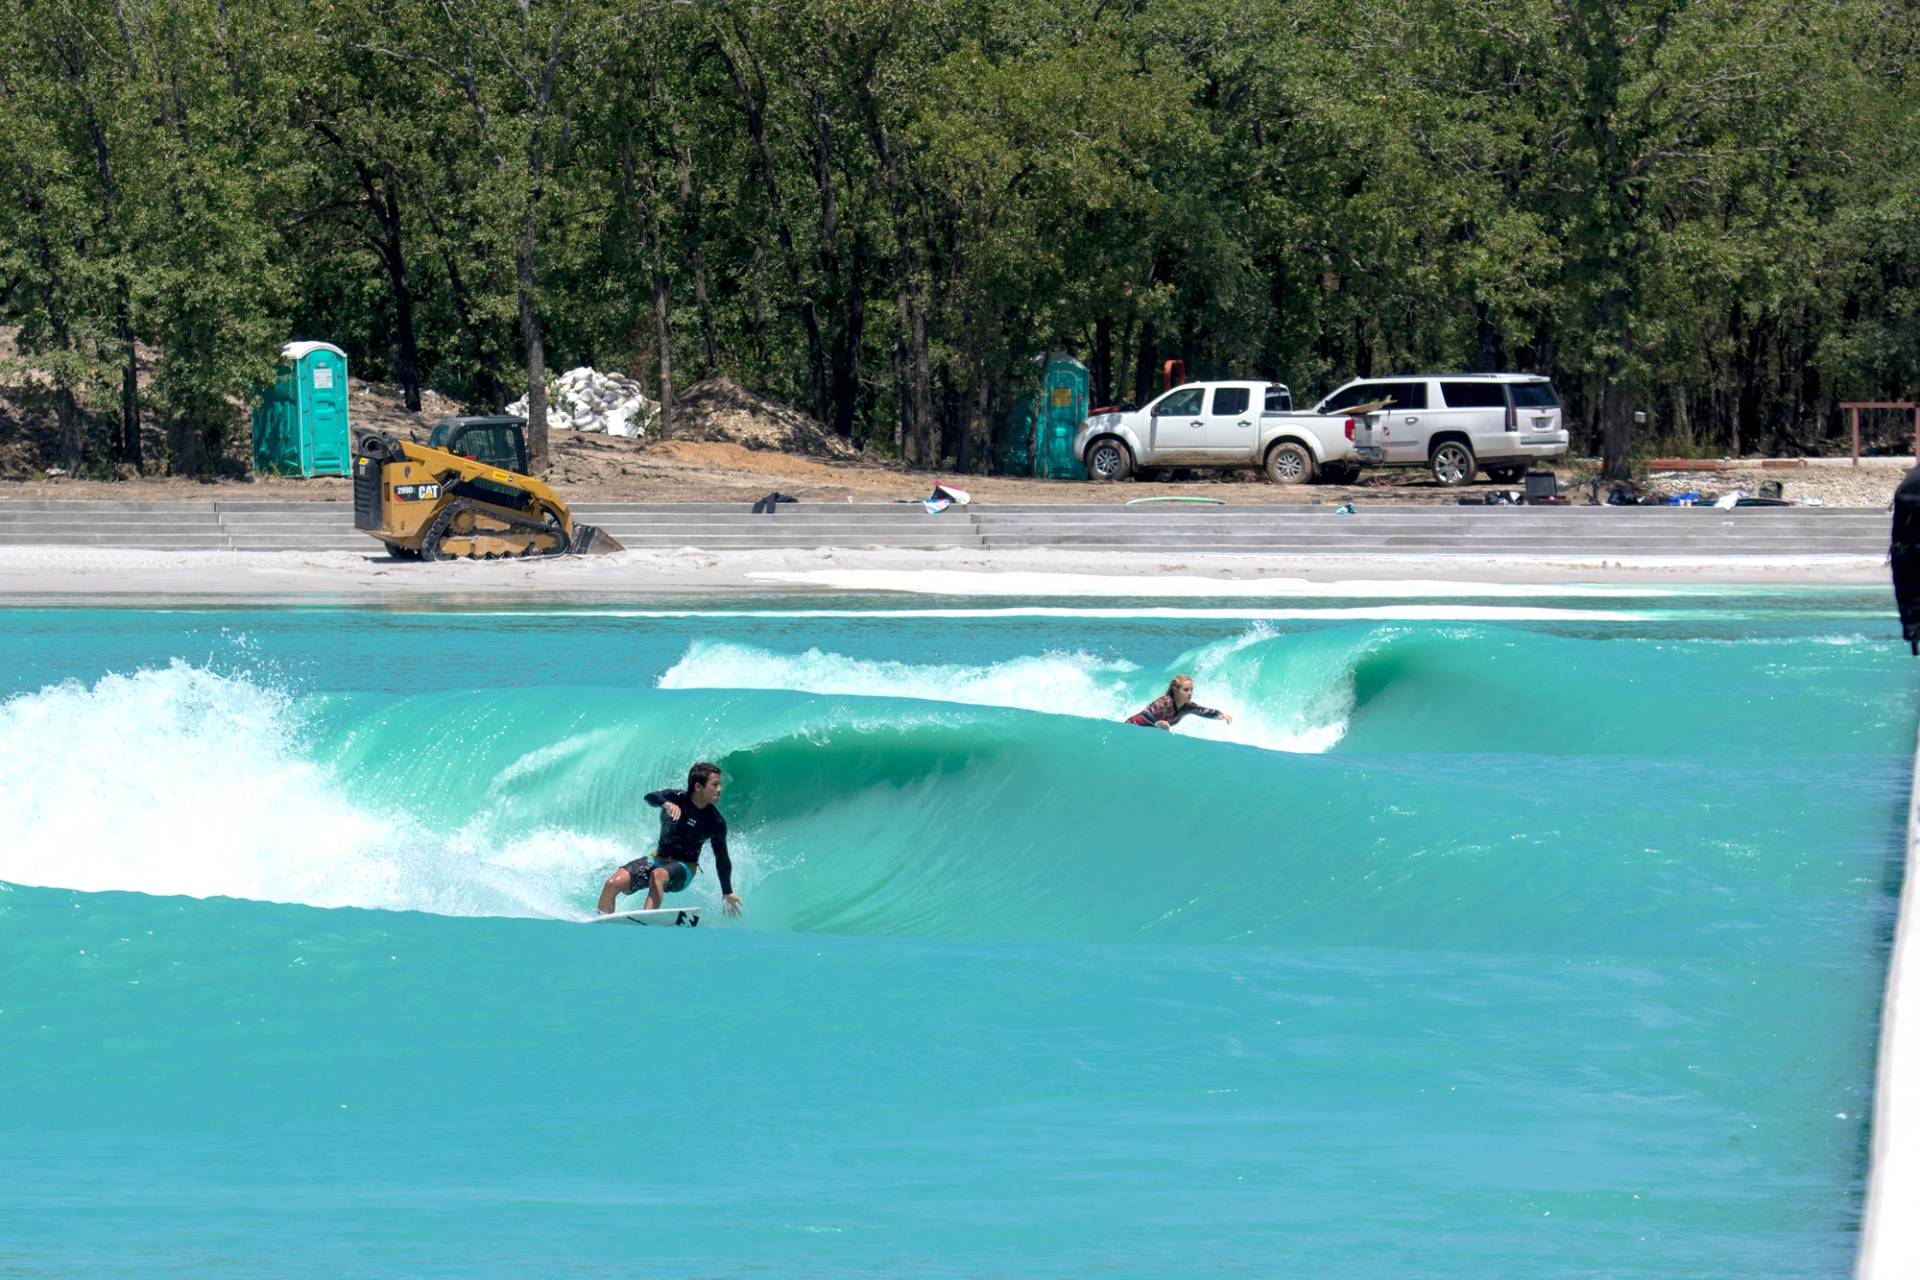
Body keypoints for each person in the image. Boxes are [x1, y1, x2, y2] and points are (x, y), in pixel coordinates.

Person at [597, 761, 743, 916]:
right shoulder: (675, 797)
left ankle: (645, 924)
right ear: (699, 787)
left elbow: (722, 858)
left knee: (658, 875)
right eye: (714, 785)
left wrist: (727, 892)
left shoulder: (715, 821)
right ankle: (603, 927)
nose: (719, 789)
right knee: (611, 884)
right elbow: (650, 797)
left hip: (684, 867)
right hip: (657, 859)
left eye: (719, 785)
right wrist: (665, 804)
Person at [1125, 674, 1234, 731]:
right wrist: (1158, 724)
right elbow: (1146, 714)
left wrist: (1221, 715)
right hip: (1131, 726)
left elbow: (1203, 711)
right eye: (1186, 690)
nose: (1190, 693)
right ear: (1176, 689)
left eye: (1192, 690)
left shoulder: (1187, 707)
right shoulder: (1165, 702)